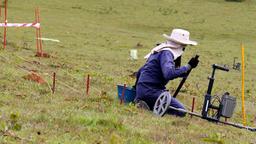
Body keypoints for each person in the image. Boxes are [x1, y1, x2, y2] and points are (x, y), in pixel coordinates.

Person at [134, 28, 199, 117]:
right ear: (180, 45)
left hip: (142, 89)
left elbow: (141, 70)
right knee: (181, 111)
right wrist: (188, 67)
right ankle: (150, 106)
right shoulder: (167, 53)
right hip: (151, 90)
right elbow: (169, 74)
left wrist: (136, 89)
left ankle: (144, 103)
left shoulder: (159, 50)